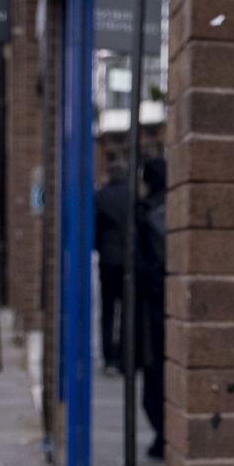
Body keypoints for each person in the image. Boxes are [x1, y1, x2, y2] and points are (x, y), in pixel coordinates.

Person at [134, 156, 167, 459]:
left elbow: (151, 263)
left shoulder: (150, 213)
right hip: (162, 305)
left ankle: (163, 436)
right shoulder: (164, 209)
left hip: (155, 308)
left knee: (155, 377)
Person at [94, 159, 131, 374]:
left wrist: (100, 248)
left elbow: (96, 229)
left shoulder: (101, 196)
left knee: (107, 311)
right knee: (127, 310)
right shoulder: (131, 194)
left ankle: (108, 357)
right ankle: (124, 357)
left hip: (108, 259)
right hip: (128, 260)